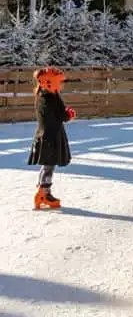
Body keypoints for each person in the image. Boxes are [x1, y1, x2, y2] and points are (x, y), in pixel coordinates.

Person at [29, 67, 75, 210]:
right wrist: (69, 114)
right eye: (59, 82)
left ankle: (44, 192)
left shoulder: (41, 95)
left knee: (48, 165)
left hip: (45, 134)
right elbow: (62, 116)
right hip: (52, 136)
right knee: (49, 165)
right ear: (50, 83)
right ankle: (43, 193)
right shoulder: (51, 98)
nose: (61, 85)